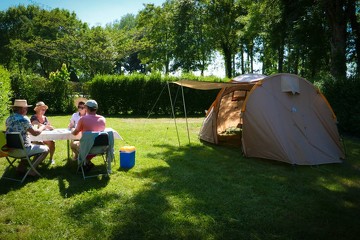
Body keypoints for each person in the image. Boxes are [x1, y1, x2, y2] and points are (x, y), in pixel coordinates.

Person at [5, 99, 51, 176]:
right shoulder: (24, 119)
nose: (27, 110)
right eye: (26, 108)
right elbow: (35, 133)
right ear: (22, 109)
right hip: (23, 150)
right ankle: (31, 170)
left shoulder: (8, 118)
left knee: (36, 144)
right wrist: (42, 127)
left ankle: (21, 167)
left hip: (10, 149)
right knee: (46, 149)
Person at [71, 99, 106, 171]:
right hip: (101, 148)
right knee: (83, 143)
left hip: (88, 148)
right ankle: (87, 161)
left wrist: (72, 130)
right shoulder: (102, 119)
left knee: (72, 144)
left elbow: (75, 133)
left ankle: (85, 161)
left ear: (86, 108)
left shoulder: (82, 119)